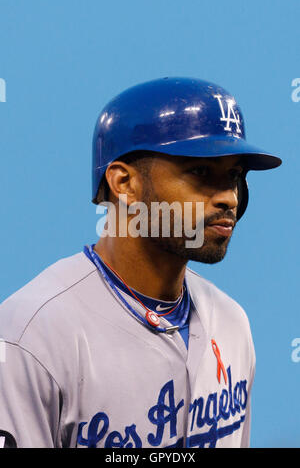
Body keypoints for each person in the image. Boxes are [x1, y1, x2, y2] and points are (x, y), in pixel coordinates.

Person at [0, 77, 281, 448]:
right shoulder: (30, 338)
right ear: (124, 183)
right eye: (200, 171)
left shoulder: (231, 323)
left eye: (233, 176)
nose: (228, 197)